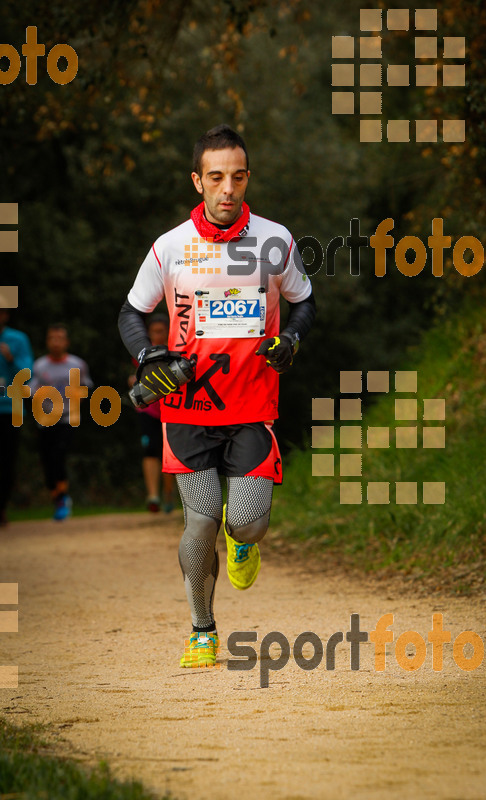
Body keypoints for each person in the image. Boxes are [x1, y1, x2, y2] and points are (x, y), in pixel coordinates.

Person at [118, 124, 316, 668]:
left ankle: (246, 543)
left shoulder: (276, 240)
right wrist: (145, 357)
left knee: (244, 522)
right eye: (215, 178)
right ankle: (202, 629)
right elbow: (132, 312)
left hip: (252, 406)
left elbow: (304, 302)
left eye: (237, 177)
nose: (227, 189)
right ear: (198, 182)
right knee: (200, 522)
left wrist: (291, 339)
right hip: (187, 409)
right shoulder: (171, 246)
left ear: (247, 178)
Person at [30, 324, 93, 520]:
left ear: (66, 342)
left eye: (60, 338)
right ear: (47, 341)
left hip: (67, 418)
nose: (56, 342)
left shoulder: (77, 364)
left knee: (59, 456)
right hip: (45, 420)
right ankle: (57, 497)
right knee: (47, 461)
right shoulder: (39, 366)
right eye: (52, 338)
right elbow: (32, 391)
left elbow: (87, 387)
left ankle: (63, 499)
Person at [128, 314, 176, 513]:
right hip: (149, 410)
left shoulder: (175, 351)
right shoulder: (140, 354)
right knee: (150, 452)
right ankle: (153, 495)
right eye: (153, 331)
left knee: (168, 452)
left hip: (172, 409)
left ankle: (168, 494)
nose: (157, 335)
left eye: (160, 331)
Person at [0, 308, 33, 527]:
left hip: (9, 409)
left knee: (5, 462)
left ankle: (1, 509)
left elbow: (28, 373)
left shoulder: (18, 339)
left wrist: (10, 358)